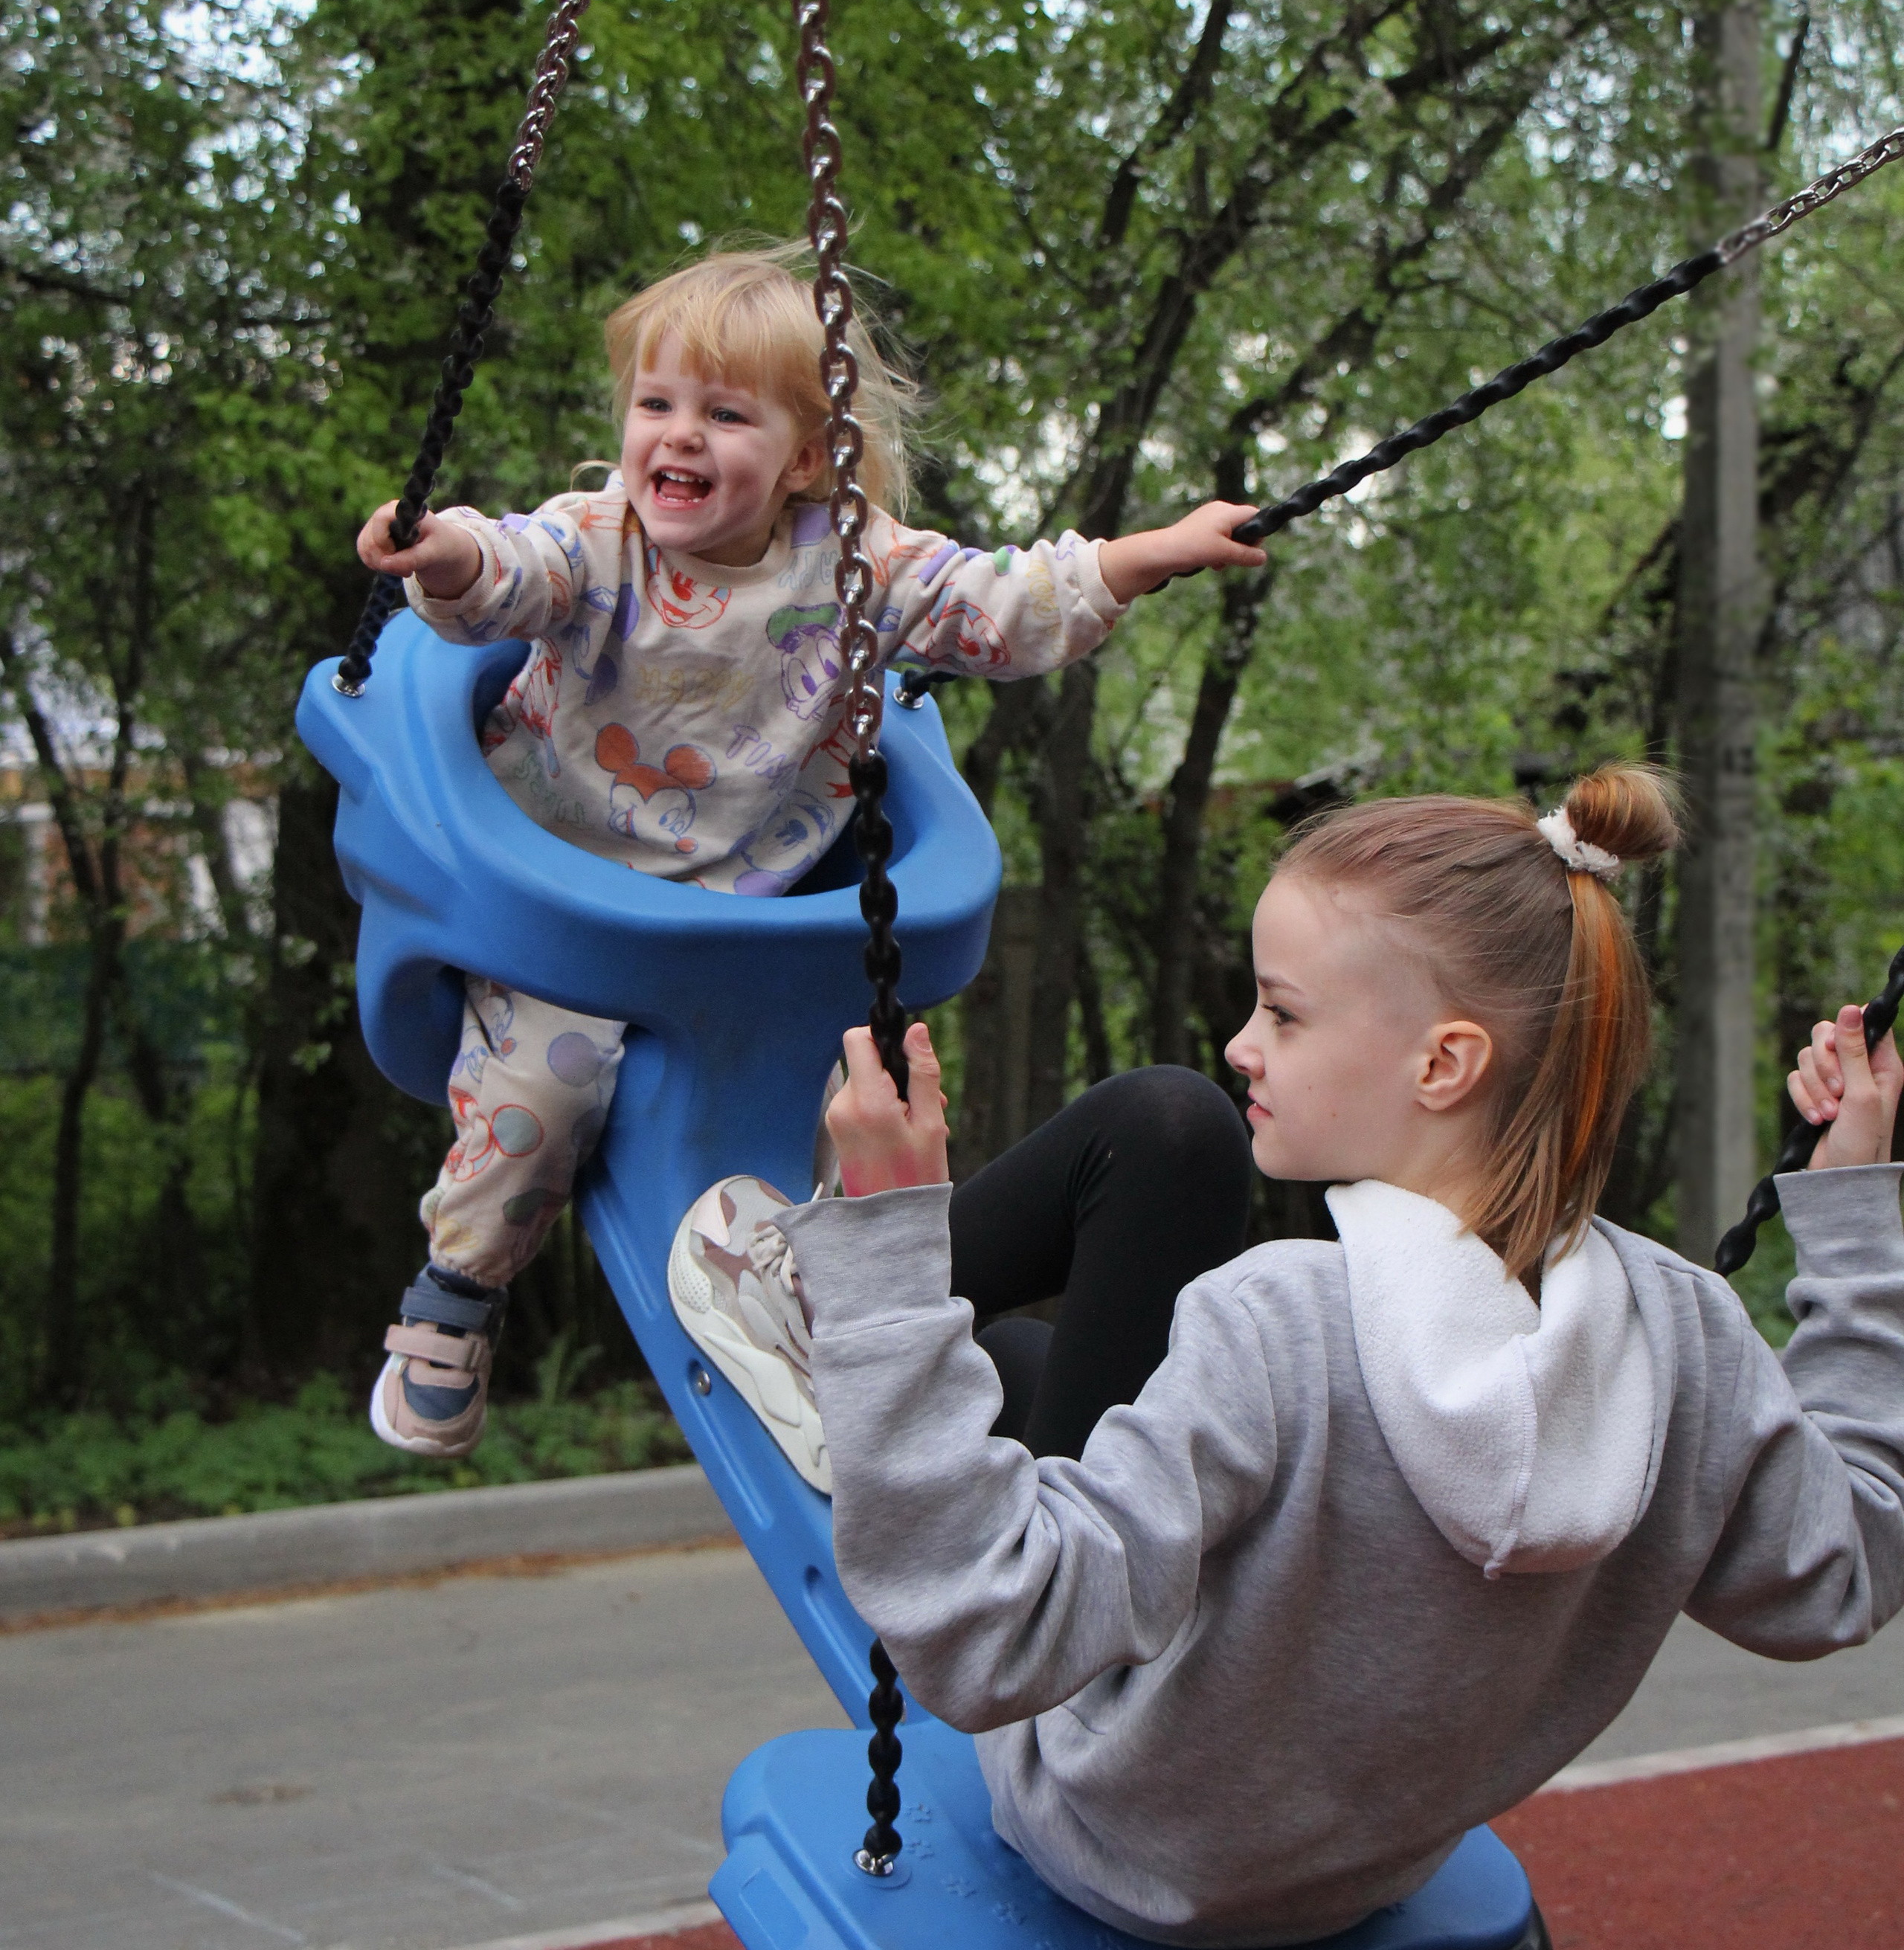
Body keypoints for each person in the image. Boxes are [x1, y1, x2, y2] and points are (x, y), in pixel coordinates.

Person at [764, 767, 1904, 1947]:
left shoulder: (1281, 1327)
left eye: (1284, 1014)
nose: (1242, 1043)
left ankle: (834, 1320)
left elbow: (991, 1636)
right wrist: (1855, 1217)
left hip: (1108, 1832)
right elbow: (1848, 1566)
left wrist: (892, 1271)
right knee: (1030, 1338)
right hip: (1357, 1864)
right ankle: (889, 1353)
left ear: (1443, 1065)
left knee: (1128, 1174)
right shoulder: (1686, 1342)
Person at [354, 245, 1266, 1458]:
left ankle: (823, 1310)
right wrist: (449, 556)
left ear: (803, 456)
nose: (678, 438)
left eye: (725, 414)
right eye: (656, 404)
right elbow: (508, 570)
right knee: (545, 1089)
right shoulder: (598, 539)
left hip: (729, 916)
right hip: (551, 887)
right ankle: (458, 1294)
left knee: (837, 1093)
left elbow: (988, 601)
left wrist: (1135, 560)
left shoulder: (851, 561)